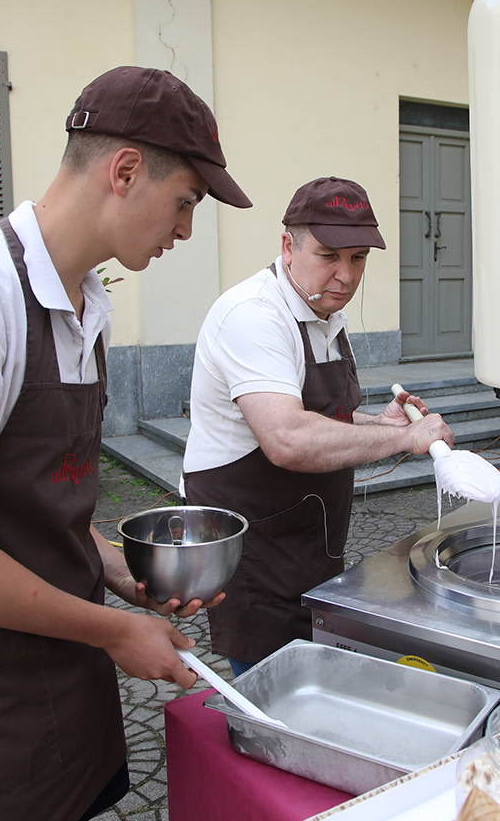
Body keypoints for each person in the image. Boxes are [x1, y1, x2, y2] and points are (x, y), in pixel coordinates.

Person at [0, 66, 251, 821]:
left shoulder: (88, 306)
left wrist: (124, 576)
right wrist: (117, 629)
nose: (184, 230)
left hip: (61, 663)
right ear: (125, 170)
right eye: (184, 204)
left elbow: (43, 514)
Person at [182, 176, 455, 676]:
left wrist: (381, 420)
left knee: (309, 670)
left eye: (358, 259)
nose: (346, 276)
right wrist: (405, 438)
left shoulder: (324, 311)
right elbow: (287, 437)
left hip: (310, 536)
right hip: (253, 542)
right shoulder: (255, 315)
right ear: (289, 246)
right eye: (329, 256)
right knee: (269, 683)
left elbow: (325, 417)